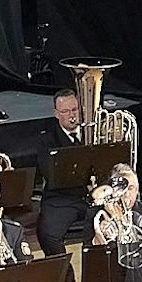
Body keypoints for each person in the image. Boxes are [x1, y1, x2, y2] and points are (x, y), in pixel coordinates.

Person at [33, 90, 92, 256]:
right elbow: (49, 174)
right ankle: (67, 280)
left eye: (74, 110)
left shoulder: (93, 132)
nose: (71, 115)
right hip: (62, 198)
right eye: (65, 112)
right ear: (56, 114)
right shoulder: (46, 140)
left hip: (95, 196)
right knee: (47, 233)